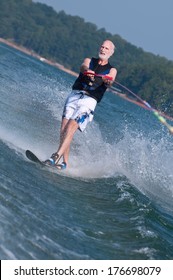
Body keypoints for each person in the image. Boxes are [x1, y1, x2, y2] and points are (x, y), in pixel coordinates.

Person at [45, 39, 117, 169]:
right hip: (75, 95)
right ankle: (65, 163)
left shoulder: (112, 69)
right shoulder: (89, 61)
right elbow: (83, 66)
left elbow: (111, 79)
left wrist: (108, 80)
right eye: (102, 47)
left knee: (71, 127)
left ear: (111, 53)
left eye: (106, 48)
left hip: (89, 100)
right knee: (64, 130)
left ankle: (55, 156)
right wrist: (87, 71)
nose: (103, 50)